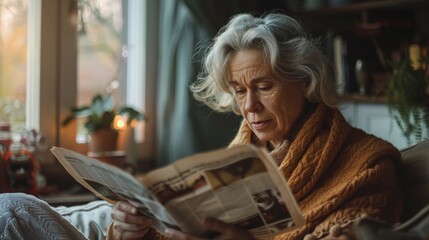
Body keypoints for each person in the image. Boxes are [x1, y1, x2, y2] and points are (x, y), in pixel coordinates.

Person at [0, 12, 402, 240]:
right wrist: (134, 232)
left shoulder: (366, 165)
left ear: (307, 81)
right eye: (239, 90)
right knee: (12, 210)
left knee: (13, 213)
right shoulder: (242, 156)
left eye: (264, 87)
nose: (249, 106)